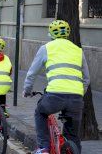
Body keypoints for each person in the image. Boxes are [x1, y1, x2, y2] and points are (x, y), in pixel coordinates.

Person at [22, 20, 90, 154]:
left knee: (40, 112)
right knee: (73, 136)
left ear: (51, 34)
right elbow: (86, 79)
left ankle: (43, 148)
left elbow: (31, 73)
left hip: (54, 96)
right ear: (68, 33)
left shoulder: (46, 48)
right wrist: (79, 93)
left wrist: (27, 90)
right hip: (76, 98)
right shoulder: (78, 50)